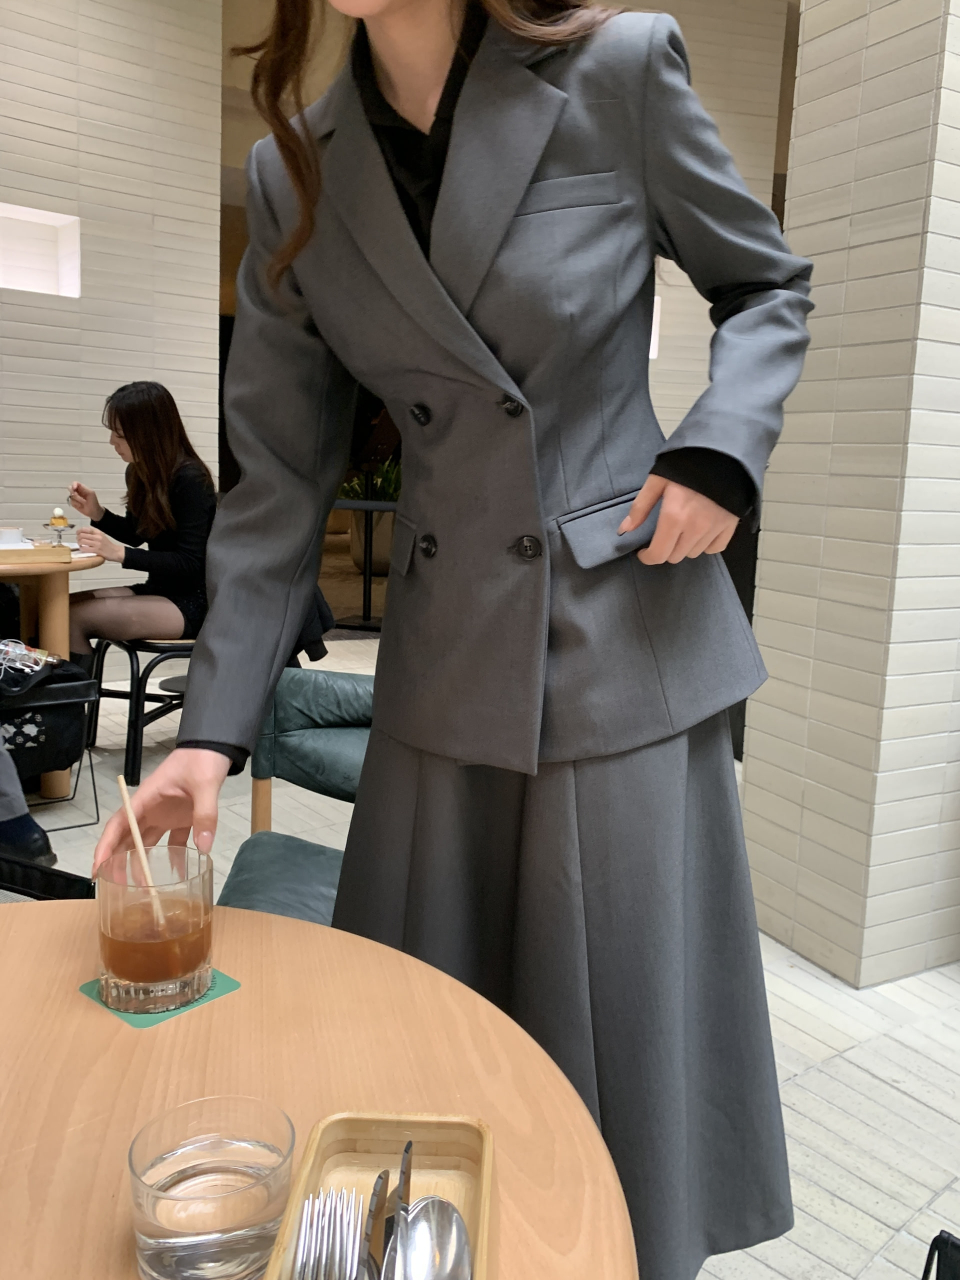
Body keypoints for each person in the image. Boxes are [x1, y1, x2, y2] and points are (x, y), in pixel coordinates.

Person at [94, 2, 813, 1275]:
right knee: (423, 1059)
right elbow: (277, 485)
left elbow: (764, 286)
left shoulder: (618, 71)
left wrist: (720, 449)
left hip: (616, 640)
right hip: (443, 669)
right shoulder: (294, 167)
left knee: (619, 1070)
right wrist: (206, 738)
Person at [67, 382, 217, 663]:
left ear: (149, 434)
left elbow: (190, 562)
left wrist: (118, 554)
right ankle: (49, 690)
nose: (112, 442)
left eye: (120, 434)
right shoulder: (138, 472)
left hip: (194, 602)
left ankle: (72, 694)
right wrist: (98, 513)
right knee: (56, 608)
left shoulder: (191, 479)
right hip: (159, 591)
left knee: (72, 618)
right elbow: (138, 534)